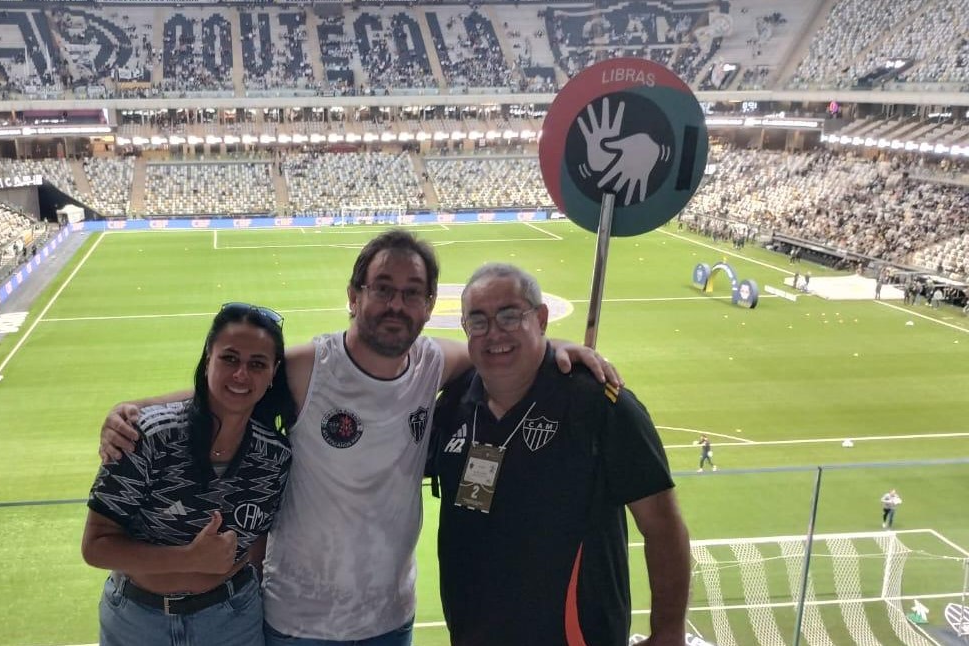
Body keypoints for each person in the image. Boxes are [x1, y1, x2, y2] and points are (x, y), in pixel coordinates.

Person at [99, 230, 621, 644]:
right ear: (354, 296)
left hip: (389, 620)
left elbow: (502, 352)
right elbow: (227, 390)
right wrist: (136, 411)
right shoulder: (308, 368)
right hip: (298, 621)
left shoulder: (435, 363)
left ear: (429, 304)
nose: (396, 304)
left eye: (412, 293)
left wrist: (556, 347)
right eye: (383, 289)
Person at [428, 263, 690, 645]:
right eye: (478, 321)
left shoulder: (599, 404)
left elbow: (662, 525)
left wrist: (668, 630)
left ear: (541, 319)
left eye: (509, 316)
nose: (494, 333)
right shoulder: (452, 405)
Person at [81, 302, 297, 646]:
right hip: (137, 623)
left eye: (257, 364)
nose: (241, 374)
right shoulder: (146, 437)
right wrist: (188, 558)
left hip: (232, 621)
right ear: (208, 358)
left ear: (273, 373)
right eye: (230, 358)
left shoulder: (275, 456)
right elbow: (95, 547)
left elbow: (258, 543)